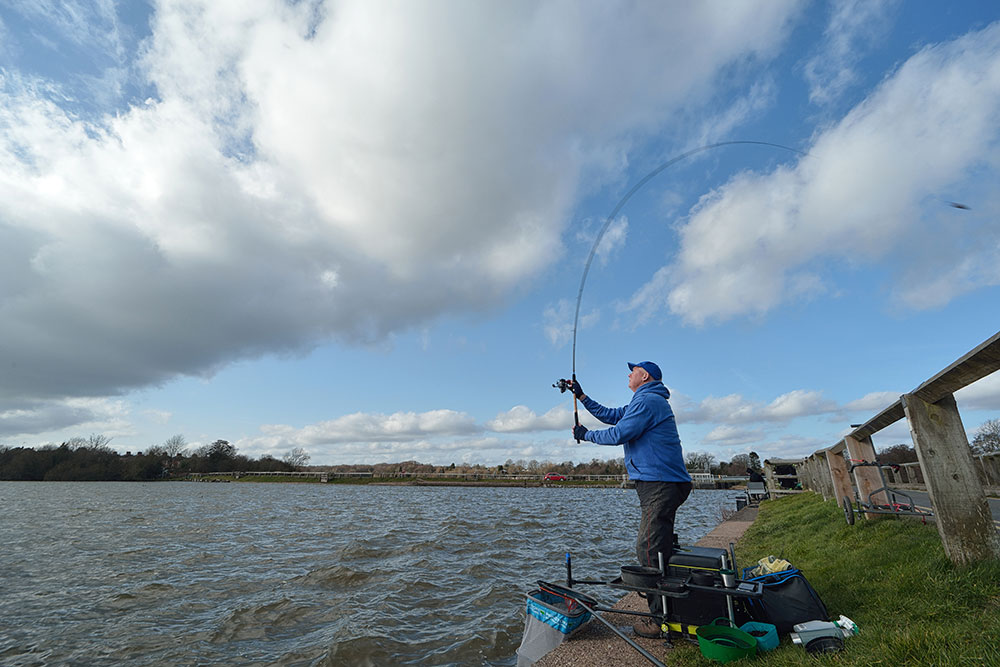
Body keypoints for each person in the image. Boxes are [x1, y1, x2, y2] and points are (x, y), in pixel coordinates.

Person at [570, 361, 691, 639]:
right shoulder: (644, 402)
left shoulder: (648, 401)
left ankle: (661, 621)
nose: (628, 374)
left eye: (632, 370)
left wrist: (586, 435)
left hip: (660, 483)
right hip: (662, 483)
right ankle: (671, 611)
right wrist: (582, 397)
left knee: (648, 548)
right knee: (660, 547)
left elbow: (620, 433)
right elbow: (612, 416)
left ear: (644, 375)